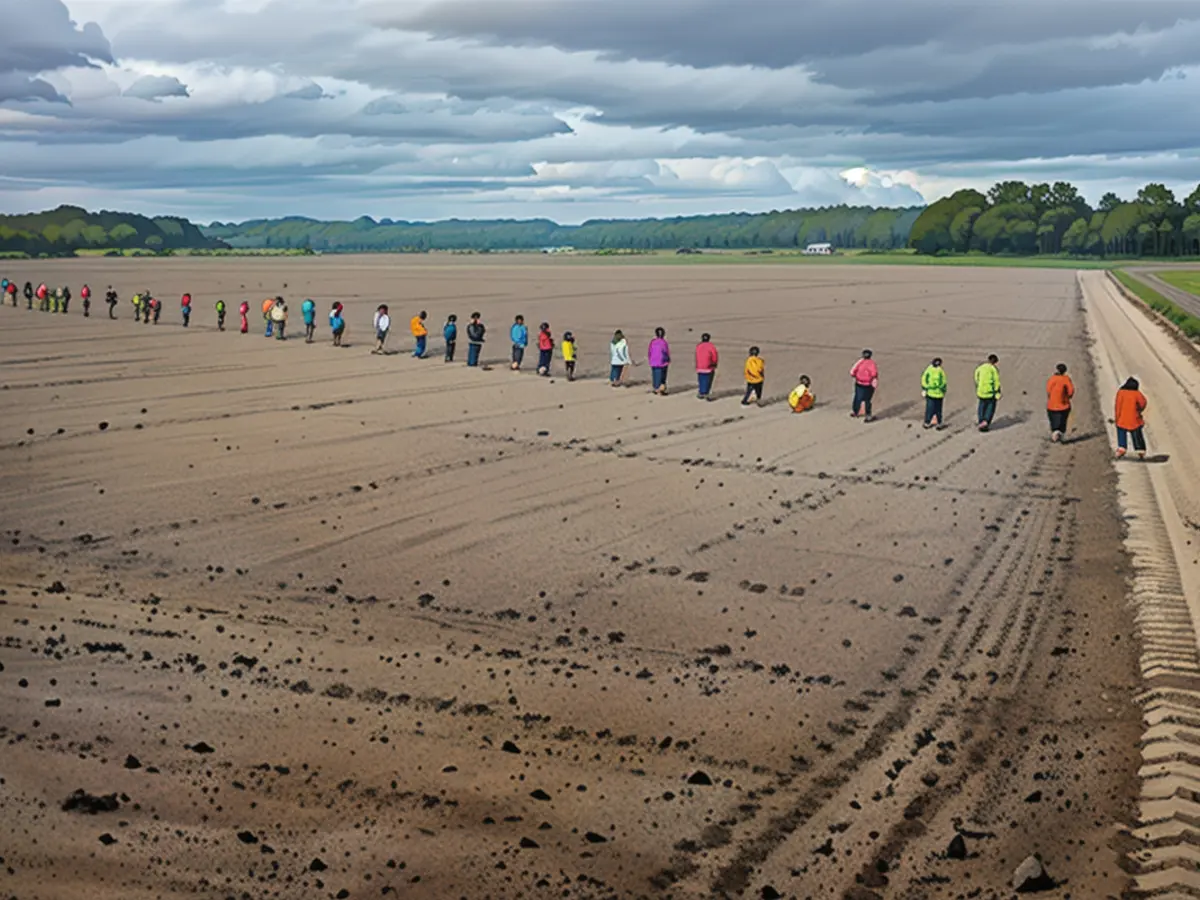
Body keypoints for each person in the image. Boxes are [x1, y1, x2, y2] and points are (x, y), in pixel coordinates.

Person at [1114, 377, 1148, 459]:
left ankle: (1122, 448)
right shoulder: (1137, 393)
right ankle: (1140, 450)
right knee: (1137, 434)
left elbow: (1117, 406)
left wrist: (1117, 418)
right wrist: (1139, 410)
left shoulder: (1120, 392)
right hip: (1134, 419)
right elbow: (1143, 403)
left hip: (1122, 419)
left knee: (1121, 431)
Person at [1046, 363, 1075, 442]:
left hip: (1052, 405)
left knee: (1053, 419)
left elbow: (1048, 390)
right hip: (1064, 405)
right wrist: (1068, 397)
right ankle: (1061, 432)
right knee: (1063, 419)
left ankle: (1055, 431)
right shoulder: (1066, 379)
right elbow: (1071, 391)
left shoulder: (1052, 379)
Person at [974, 354, 1001, 431]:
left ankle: (981, 420)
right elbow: (996, 381)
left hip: (981, 391)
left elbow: (976, 378)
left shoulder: (980, 367)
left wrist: (978, 386)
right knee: (990, 407)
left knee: (981, 407)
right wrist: (997, 391)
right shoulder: (993, 369)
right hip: (990, 392)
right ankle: (986, 421)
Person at [850, 349, 878, 421]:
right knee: (867, 400)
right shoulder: (872, 364)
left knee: (857, 398)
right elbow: (874, 374)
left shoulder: (860, 362)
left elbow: (852, 372)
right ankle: (868, 415)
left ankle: (856, 411)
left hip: (859, 383)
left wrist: (856, 376)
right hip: (868, 384)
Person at [921, 357, 947, 429]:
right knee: (938, 409)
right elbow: (944, 382)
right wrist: (943, 390)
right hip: (938, 393)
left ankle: (927, 422)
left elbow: (924, 379)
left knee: (930, 408)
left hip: (931, 393)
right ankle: (938, 423)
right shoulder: (940, 371)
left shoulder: (929, 369)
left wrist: (925, 387)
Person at [695, 333, 719, 400]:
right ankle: (706, 393)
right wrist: (715, 363)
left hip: (699, 366)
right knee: (708, 380)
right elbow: (714, 356)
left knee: (701, 379)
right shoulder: (711, 346)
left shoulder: (698, 346)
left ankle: (701, 392)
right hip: (708, 366)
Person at [648, 327, 670, 395]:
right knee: (662, 376)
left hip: (653, 362)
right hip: (662, 362)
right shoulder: (664, 342)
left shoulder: (653, 342)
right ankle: (660, 388)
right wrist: (668, 359)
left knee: (655, 375)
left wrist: (650, 359)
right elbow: (666, 352)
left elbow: (649, 352)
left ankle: (656, 388)